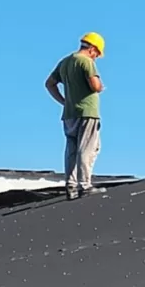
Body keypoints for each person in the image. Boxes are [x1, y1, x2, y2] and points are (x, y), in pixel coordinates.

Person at [45, 32, 106, 200]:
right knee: (88, 148)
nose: (96, 57)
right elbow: (95, 85)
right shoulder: (86, 62)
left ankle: (70, 185)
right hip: (87, 112)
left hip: (69, 114)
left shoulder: (65, 62)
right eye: (97, 54)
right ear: (92, 49)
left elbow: (49, 84)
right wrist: (100, 87)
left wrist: (64, 101)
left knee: (71, 150)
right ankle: (84, 185)